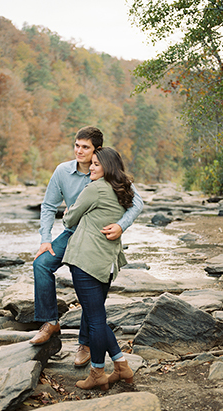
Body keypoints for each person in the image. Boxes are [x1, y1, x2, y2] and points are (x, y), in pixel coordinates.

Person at [29, 126, 143, 370]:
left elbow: (137, 203)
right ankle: (50, 321)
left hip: (96, 237)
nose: (79, 151)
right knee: (41, 263)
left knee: (89, 290)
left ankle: (85, 343)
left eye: (85, 147)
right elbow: (48, 206)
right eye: (76, 145)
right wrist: (45, 239)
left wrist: (121, 226)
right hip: (72, 233)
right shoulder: (62, 171)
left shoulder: (107, 172)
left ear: (97, 150)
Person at [61, 146, 136, 390]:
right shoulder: (122, 191)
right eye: (90, 163)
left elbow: (69, 219)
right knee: (97, 318)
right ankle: (121, 366)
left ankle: (97, 373)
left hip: (86, 261)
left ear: (107, 168)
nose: (90, 168)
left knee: (95, 319)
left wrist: (68, 212)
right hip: (106, 262)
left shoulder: (94, 189)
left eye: (95, 164)